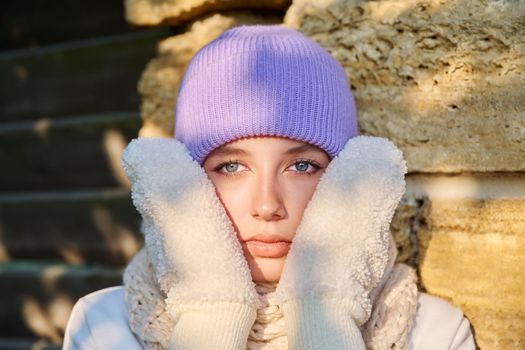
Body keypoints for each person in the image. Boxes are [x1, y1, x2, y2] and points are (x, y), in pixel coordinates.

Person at [63, 24, 476, 349]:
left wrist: (324, 312)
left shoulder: (436, 335)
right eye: (230, 166)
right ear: (185, 179)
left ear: (345, 177)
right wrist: (212, 316)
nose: (267, 205)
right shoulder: (104, 326)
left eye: (301, 165)